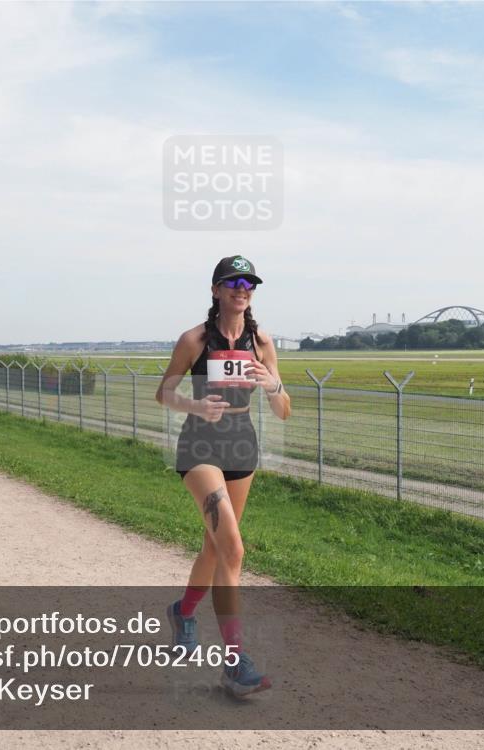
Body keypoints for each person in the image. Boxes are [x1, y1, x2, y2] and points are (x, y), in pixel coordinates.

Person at [155, 256, 291, 697]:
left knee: (216, 549)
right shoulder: (194, 339)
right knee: (232, 545)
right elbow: (164, 392)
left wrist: (272, 385)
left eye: (248, 282)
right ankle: (234, 662)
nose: (241, 287)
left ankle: (185, 612)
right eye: (232, 281)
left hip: (242, 444)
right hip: (200, 446)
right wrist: (194, 406)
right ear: (215, 290)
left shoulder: (261, 342)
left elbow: (284, 409)